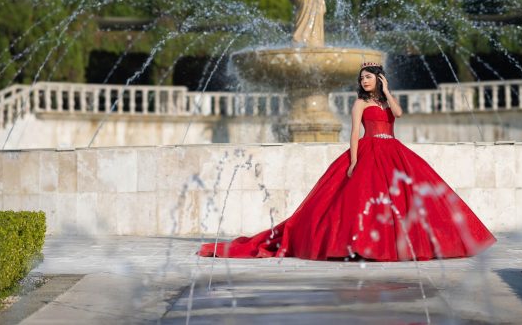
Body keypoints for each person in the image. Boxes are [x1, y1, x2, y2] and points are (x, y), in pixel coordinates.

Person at [198, 63, 496, 261]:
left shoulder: (383, 101)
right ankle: (361, 246)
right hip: (368, 151)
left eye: (368, 77)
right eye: (361, 79)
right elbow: (354, 132)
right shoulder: (360, 103)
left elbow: (400, 115)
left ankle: (402, 244)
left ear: (378, 78)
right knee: (360, 201)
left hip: (395, 151)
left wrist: (388, 90)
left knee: (407, 198)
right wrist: (353, 162)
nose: (364, 82)